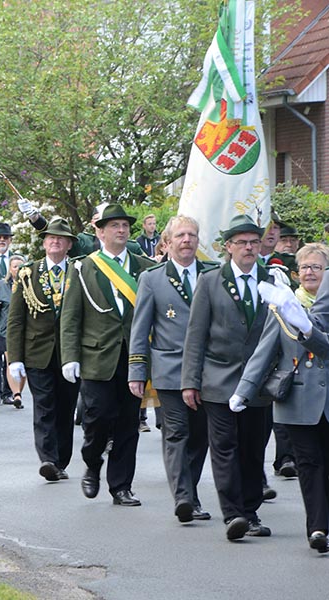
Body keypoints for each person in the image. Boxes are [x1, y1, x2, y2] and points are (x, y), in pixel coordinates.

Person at [181, 214, 275, 541]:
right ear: (228, 247)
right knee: (224, 448)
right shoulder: (210, 281)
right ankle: (234, 514)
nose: (249, 248)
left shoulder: (272, 281)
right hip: (218, 380)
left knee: (253, 449)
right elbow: (196, 335)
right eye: (242, 242)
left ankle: (251, 512)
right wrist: (190, 381)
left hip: (259, 383)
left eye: (254, 242)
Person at [60, 204, 157, 506]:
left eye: (125, 225)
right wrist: (70, 356)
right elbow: (71, 316)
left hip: (134, 358)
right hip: (97, 358)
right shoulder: (84, 267)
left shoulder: (144, 267)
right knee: (98, 418)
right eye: (114, 225)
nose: (121, 230)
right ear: (100, 232)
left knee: (128, 423)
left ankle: (121, 486)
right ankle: (92, 462)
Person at [237, 242, 329, 553]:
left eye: (317, 266)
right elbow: (264, 353)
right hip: (298, 401)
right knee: (309, 463)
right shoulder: (282, 304)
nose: (310, 272)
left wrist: (307, 326)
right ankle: (317, 528)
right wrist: (244, 390)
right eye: (304, 267)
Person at [128, 215, 212, 523]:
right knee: (176, 433)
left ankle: (191, 492)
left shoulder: (212, 274)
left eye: (192, 235)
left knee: (200, 436)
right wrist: (137, 371)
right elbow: (140, 328)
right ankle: (184, 498)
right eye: (180, 235)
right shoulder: (152, 278)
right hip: (170, 369)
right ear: (167, 243)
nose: (187, 240)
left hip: (207, 371)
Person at [8, 217, 80, 481]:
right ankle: (48, 459)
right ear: (44, 243)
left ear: (69, 244)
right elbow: (16, 319)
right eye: (51, 237)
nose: (55, 241)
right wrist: (14, 358)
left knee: (66, 407)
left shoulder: (79, 271)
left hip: (70, 354)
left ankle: (61, 460)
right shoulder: (28, 273)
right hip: (37, 352)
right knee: (44, 405)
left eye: (61, 238)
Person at [0, 254, 24, 406]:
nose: (18, 269)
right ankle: (0, 392)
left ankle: (11, 393)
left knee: (16, 363)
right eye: (15, 266)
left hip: (23, 331)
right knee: (4, 360)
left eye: (21, 266)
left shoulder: (29, 284)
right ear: (10, 269)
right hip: (5, 330)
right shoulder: (2, 285)